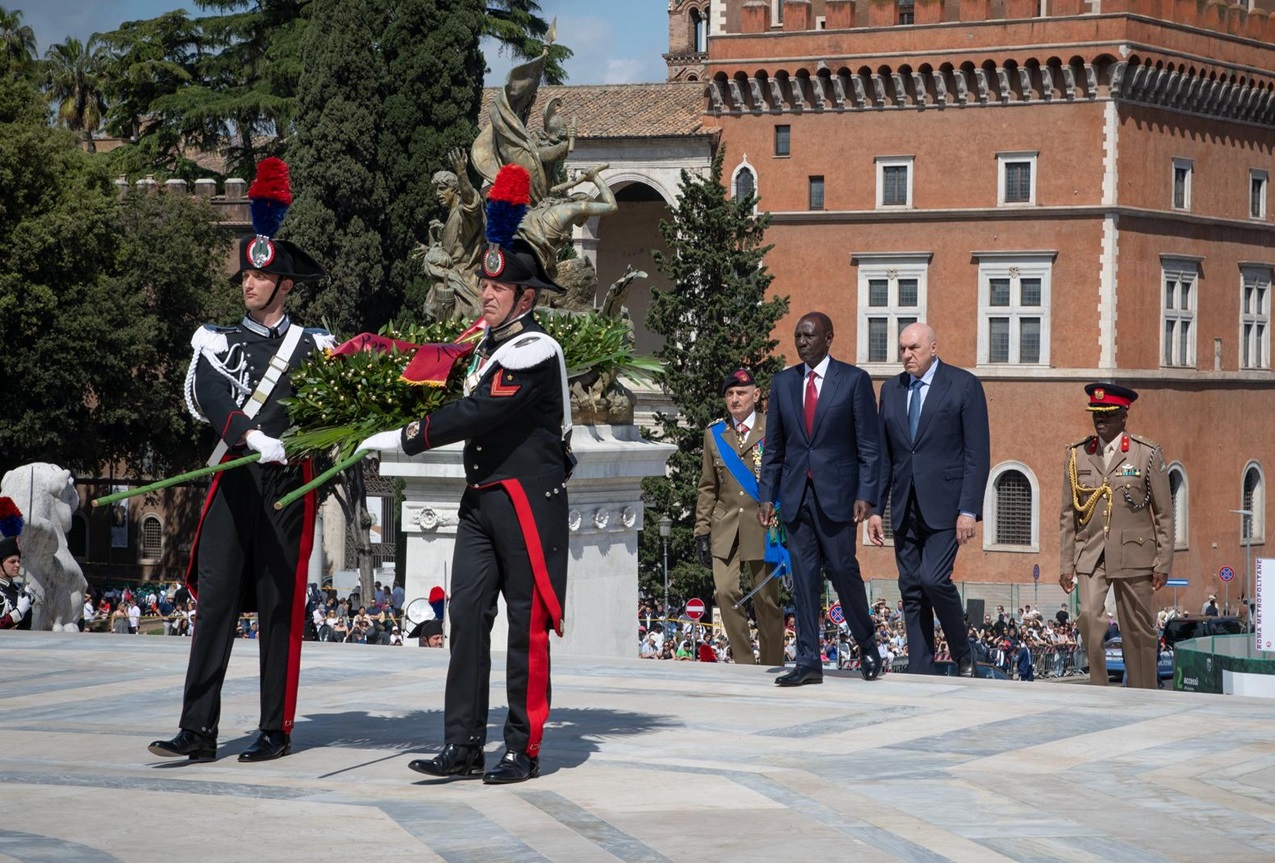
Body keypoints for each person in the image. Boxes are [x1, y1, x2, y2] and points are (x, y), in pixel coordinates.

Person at [359, 163, 573, 786]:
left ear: (526, 298)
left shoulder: (536, 351)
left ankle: (522, 748)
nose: (485, 294)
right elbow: (446, 380)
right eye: (484, 283)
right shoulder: (483, 346)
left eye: (497, 289)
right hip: (481, 499)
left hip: (527, 505)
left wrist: (407, 437)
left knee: (524, 628)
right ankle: (463, 744)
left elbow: (481, 410)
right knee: (467, 620)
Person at [149, 157, 330, 764]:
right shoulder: (216, 340)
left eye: (260, 278)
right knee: (217, 604)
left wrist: (303, 445)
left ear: (285, 285)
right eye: (245, 278)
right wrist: (247, 434)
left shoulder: (317, 348)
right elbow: (208, 393)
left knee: (279, 608)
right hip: (231, 479)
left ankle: (275, 729)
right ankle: (197, 730)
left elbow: (333, 412)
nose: (247, 285)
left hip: (285, 486)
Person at [758, 311, 882, 686]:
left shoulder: (854, 380)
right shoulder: (783, 383)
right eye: (798, 336)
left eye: (809, 335)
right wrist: (768, 496)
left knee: (844, 571)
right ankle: (809, 661)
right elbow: (775, 447)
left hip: (838, 496)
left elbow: (869, 446)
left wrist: (867, 494)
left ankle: (868, 644)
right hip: (796, 498)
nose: (802, 342)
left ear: (829, 338)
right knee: (804, 578)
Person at [868, 323, 989, 677]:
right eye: (902, 349)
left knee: (934, 579)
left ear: (933, 348)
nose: (907, 355)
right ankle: (922, 668)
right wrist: (877, 509)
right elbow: (886, 456)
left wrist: (968, 510)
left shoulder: (963, 385)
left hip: (946, 507)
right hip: (904, 506)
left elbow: (976, 454)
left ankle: (963, 652)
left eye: (914, 348)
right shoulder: (891, 391)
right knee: (911, 589)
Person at [1060, 382, 1173, 689]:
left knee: (1137, 629)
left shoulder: (1146, 454)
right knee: (1088, 617)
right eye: (1096, 414)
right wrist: (1065, 564)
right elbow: (1068, 515)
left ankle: (1142, 690)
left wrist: (1163, 562)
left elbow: (1163, 514)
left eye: (1108, 414)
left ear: (1124, 416)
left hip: (1135, 552)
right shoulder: (1077, 455)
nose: (1101, 420)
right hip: (1091, 552)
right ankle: (1099, 688)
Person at [694, 367, 783, 666]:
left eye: (741, 393)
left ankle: (772, 663)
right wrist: (701, 531)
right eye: (730, 394)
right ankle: (745, 662)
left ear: (755, 395)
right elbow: (708, 486)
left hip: (763, 525)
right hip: (725, 527)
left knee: (767, 600)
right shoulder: (715, 434)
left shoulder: (772, 430)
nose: (735, 399)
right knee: (725, 591)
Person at [0, 534, 32, 630]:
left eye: (18, 561)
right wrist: (18, 613)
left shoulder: (20, 591)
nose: (17, 565)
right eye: (12, 562)